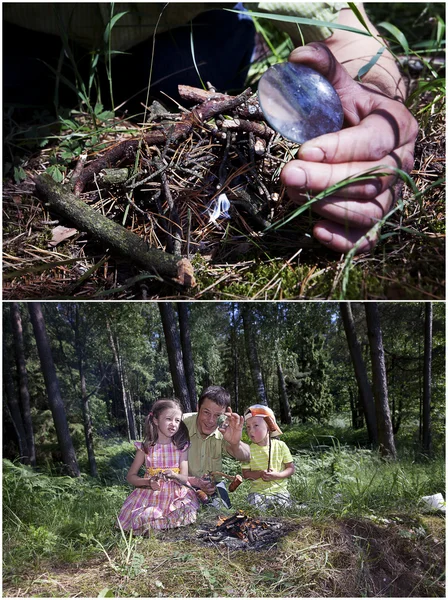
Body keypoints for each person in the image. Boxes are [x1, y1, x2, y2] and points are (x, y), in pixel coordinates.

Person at [4, 3, 419, 254]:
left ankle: (242, 37)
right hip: (28, 34)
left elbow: (352, 38)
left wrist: (374, 105)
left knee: (178, 73)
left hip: (178, 38)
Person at [117, 398, 199, 533]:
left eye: (177, 420)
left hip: (175, 494)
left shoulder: (180, 447)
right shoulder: (146, 448)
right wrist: (148, 482)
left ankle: (156, 526)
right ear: (155, 420)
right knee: (149, 514)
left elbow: (184, 478)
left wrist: (174, 475)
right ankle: (156, 525)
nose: (173, 424)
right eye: (168, 419)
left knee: (185, 510)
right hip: (151, 495)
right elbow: (131, 477)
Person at [183, 385, 250, 507]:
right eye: (206, 412)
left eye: (217, 415)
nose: (211, 421)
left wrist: (236, 443)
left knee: (221, 512)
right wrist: (195, 482)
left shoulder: (224, 430)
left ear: (224, 415)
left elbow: (246, 456)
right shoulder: (180, 425)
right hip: (182, 482)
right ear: (198, 407)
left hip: (213, 486)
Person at [241, 404, 294, 508]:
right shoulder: (247, 450)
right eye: (248, 427)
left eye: (256, 425)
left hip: (280, 491)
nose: (251, 430)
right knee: (255, 503)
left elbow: (291, 468)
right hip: (258, 492)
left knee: (285, 506)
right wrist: (260, 474)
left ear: (269, 426)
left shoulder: (281, 446)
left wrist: (277, 475)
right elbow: (246, 474)